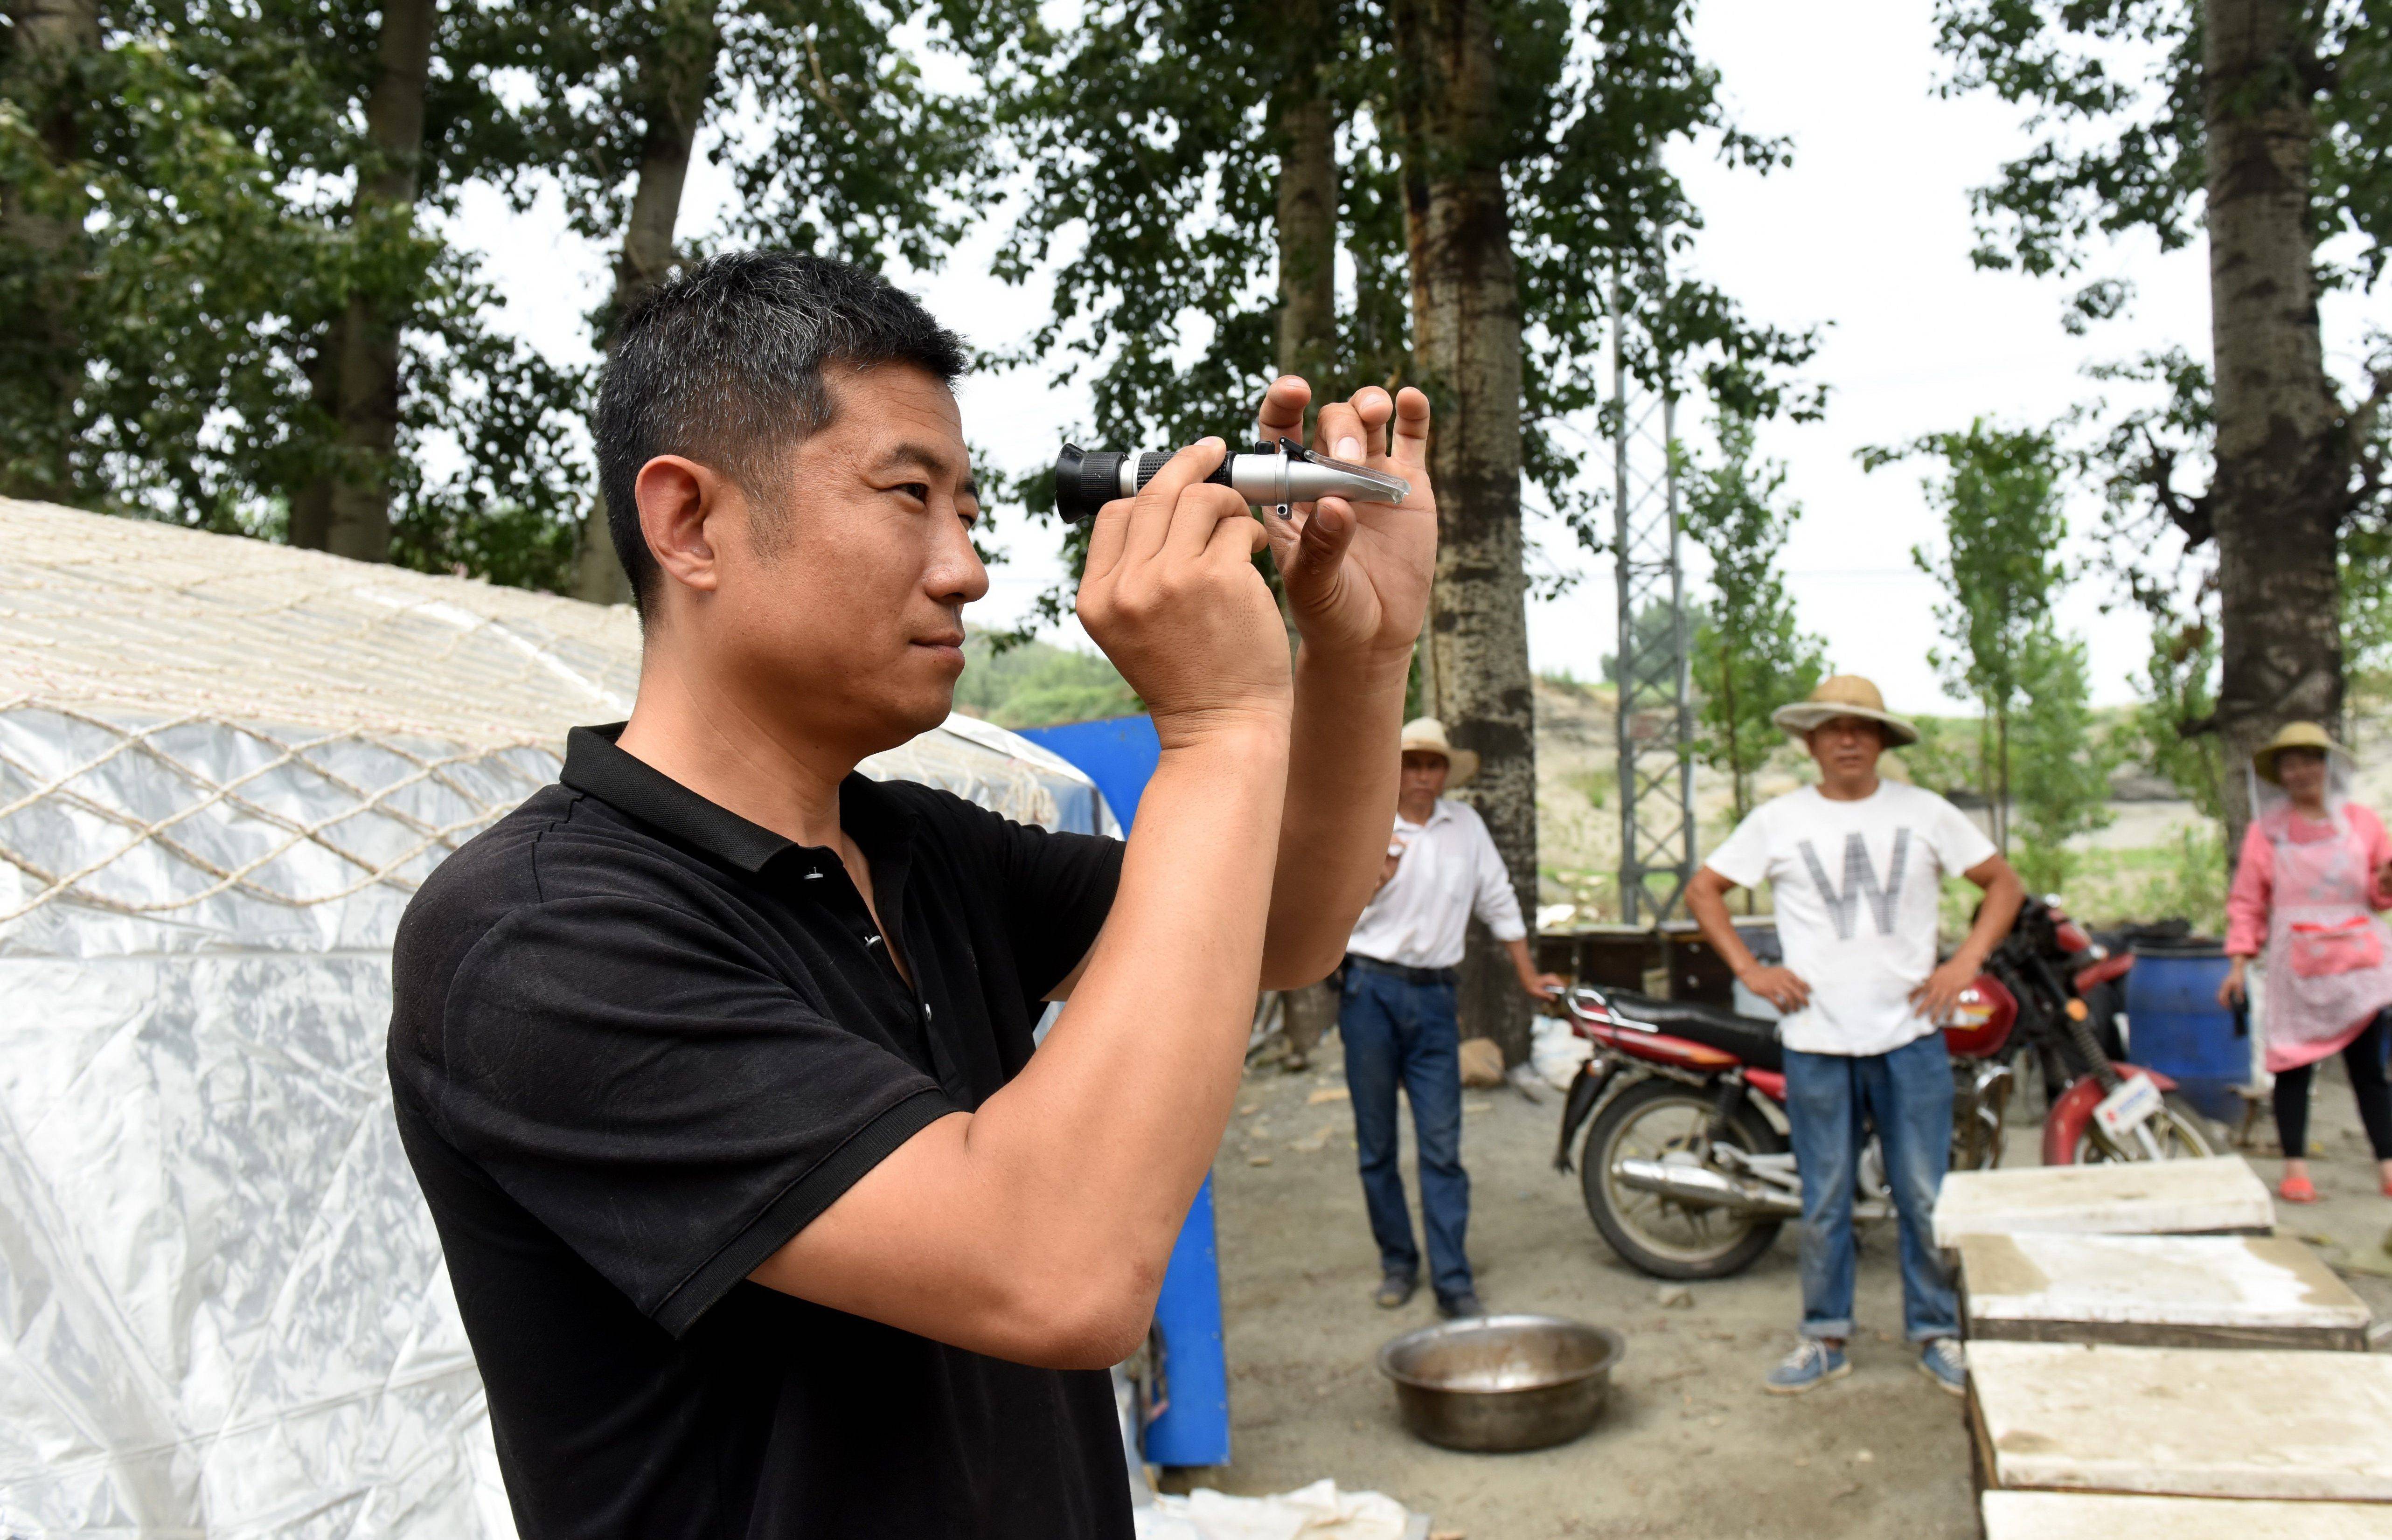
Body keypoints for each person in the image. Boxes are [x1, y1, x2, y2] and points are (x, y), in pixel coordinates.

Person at [385, 252, 1439, 1538]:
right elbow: (1061, 1267)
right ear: (689, 522)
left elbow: (1282, 928)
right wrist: (1218, 723)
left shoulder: (925, 846)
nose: (970, 569)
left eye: (972, 507)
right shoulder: (536, 936)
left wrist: (1359, 652)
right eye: (909, 496)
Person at [1683, 675, 2023, 1399]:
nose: (1846, 740)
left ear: (1882, 741)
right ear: (1810, 741)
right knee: (1827, 1195)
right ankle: (1825, 1333)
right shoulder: (1779, 819)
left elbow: (2004, 884)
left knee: (1925, 1192)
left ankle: (1936, 1331)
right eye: (1832, 728)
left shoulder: (1924, 812)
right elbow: (1703, 889)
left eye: (1861, 729)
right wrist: (1751, 966)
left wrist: (1965, 961)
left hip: (1912, 1035)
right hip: (1816, 1038)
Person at [1340, 717, 1564, 1318]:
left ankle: (1453, 1278)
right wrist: (1370, 883)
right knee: (1376, 1141)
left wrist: (1526, 973)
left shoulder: (1465, 826)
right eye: (1410, 763)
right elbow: (1328, 919)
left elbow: (1498, 897)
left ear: (1445, 773)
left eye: (1432, 765)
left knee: (1442, 1144)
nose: (1421, 776)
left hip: (1437, 996)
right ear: (1394, 767)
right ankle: (1397, 1261)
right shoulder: (1365, 823)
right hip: (1369, 989)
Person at [2219, 722, 2392, 1204]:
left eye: (2309, 760)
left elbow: (2380, 894)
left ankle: (2387, 1162)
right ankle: (2294, 1165)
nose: (2300, 772)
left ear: (2327, 765)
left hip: (2358, 966)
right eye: (2289, 764)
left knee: (2369, 1068)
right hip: (2298, 965)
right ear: (2278, 775)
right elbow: (2247, 902)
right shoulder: (2266, 833)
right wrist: (2237, 962)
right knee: (2293, 1063)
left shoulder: (2363, 823)